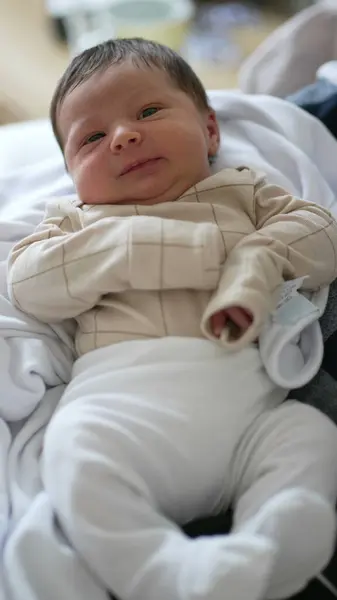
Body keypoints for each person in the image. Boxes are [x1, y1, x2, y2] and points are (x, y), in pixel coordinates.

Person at [7, 38, 337, 600]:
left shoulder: (244, 190)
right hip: (119, 412)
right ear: (70, 175)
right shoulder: (76, 220)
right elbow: (31, 283)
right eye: (91, 138)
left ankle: (268, 552)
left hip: (249, 416)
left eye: (149, 112)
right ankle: (160, 571)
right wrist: (143, 246)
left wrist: (262, 255)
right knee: (74, 456)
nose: (123, 135)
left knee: (309, 437)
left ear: (210, 131)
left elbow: (321, 234)